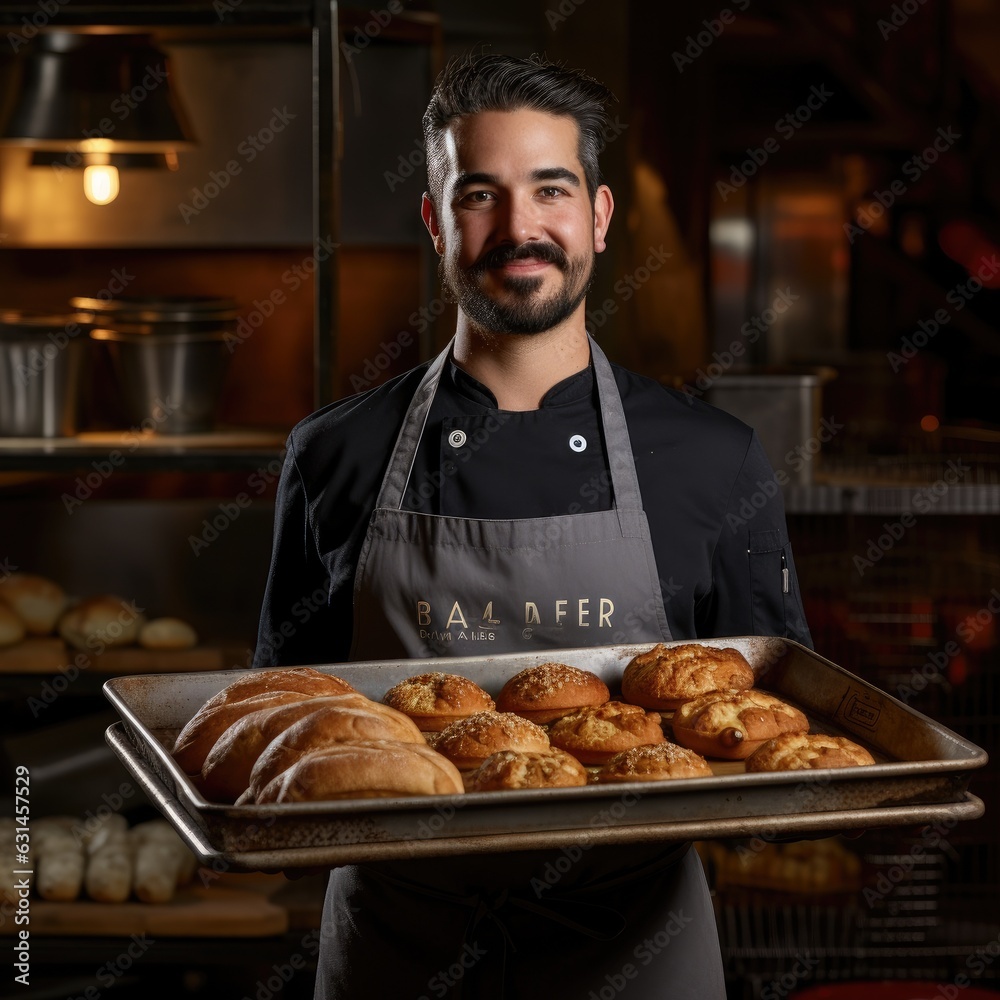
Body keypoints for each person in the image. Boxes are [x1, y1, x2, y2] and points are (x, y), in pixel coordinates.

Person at [254, 51, 812, 1000]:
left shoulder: (714, 461)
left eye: (550, 189)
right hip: (400, 950)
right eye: (481, 194)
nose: (520, 228)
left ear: (597, 215)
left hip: (638, 950)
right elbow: (290, 724)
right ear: (435, 220)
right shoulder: (333, 455)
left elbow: (775, 733)